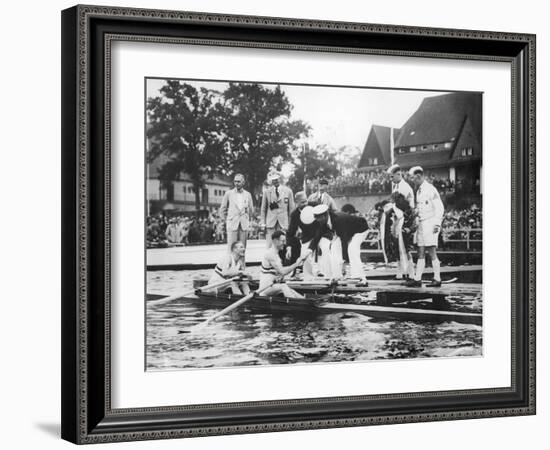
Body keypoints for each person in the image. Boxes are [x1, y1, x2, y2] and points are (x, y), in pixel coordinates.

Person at [406, 166, 444, 287]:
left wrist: (437, 223)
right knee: (420, 250)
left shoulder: (430, 189)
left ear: (418, 176)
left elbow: (439, 207)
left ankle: (437, 278)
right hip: (422, 223)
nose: (412, 180)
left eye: (413, 178)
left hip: (431, 223)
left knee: (432, 251)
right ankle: (417, 279)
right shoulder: (418, 190)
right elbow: (421, 207)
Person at [312, 204, 369, 285]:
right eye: (316, 218)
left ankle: (358, 276)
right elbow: (316, 238)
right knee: (334, 248)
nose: (317, 220)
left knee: (352, 249)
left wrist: (344, 263)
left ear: (325, 215)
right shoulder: (322, 221)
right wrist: (309, 250)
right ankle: (336, 275)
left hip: (360, 229)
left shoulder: (338, 220)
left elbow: (344, 241)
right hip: (347, 231)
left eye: (319, 218)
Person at [259, 230, 310, 298]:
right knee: (284, 286)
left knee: (291, 290)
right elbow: (283, 271)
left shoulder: (277, 255)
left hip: (273, 287)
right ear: (275, 241)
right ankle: (297, 305)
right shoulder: (270, 254)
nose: (285, 243)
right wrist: (297, 263)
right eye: (283, 241)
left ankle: (304, 301)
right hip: (264, 289)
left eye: (285, 241)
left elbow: (281, 273)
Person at [387, 164, 415, 280]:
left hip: (406, 218)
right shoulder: (396, 186)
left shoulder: (404, 187)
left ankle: (411, 273)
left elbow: (402, 205)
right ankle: (400, 272)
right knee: (396, 246)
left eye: (392, 176)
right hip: (397, 219)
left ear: (398, 174)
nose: (390, 179)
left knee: (405, 246)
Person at [285, 192, 320, 279]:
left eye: (306, 201)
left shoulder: (315, 206)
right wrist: (288, 247)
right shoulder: (295, 215)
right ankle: (309, 276)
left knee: (324, 250)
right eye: (302, 202)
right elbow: (290, 232)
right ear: (296, 203)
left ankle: (323, 273)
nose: (305, 204)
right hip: (307, 236)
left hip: (321, 233)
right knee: (305, 254)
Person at [219, 173, 254, 249]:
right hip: (232, 225)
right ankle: (232, 261)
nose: (236, 183)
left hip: (243, 225)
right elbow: (222, 209)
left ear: (243, 182)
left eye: (238, 181)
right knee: (231, 249)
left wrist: (247, 219)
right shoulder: (228, 194)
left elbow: (251, 210)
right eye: (235, 181)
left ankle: (242, 261)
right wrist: (227, 220)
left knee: (242, 249)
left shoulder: (248, 195)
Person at [260, 172, 295, 247]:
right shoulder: (267, 192)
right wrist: (263, 222)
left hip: (283, 223)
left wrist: (291, 223)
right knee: (270, 245)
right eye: (273, 180)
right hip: (271, 223)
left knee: (282, 244)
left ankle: (282, 259)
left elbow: (291, 209)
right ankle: (270, 258)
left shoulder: (288, 191)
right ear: (271, 181)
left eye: (276, 179)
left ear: (280, 179)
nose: (275, 181)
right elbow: (263, 209)